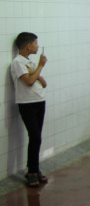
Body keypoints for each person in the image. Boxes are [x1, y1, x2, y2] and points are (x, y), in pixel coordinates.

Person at [10, 32, 48, 188]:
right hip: (27, 104)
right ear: (28, 46)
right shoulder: (18, 62)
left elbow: (43, 83)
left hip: (39, 101)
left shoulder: (29, 63)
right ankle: (31, 171)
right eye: (35, 43)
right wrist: (40, 67)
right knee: (35, 137)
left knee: (37, 137)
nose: (37, 46)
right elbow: (30, 81)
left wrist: (36, 71)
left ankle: (35, 169)